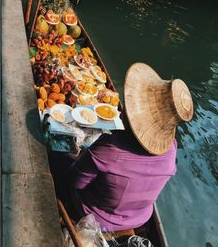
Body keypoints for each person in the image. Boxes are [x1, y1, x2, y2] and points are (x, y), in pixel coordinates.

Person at [51, 63, 194, 232]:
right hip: (138, 218)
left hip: (95, 216)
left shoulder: (110, 148)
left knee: (57, 155)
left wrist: (81, 156)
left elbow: (75, 181)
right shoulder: (171, 150)